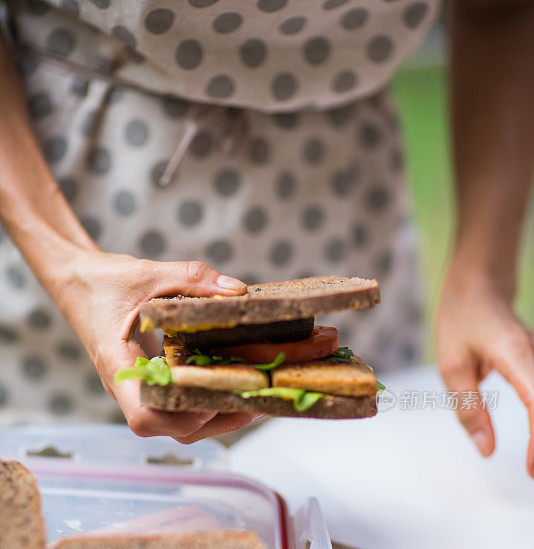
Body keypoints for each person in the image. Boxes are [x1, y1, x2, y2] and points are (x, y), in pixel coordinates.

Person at [0, 1, 532, 473]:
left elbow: (499, 10)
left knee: (348, 527)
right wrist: (68, 266)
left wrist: (480, 277)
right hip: (71, 225)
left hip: (345, 200)